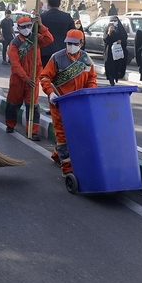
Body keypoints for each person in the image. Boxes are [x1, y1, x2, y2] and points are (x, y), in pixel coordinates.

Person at [40, 29, 98, 178]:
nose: (70, 46)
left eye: (74, 44)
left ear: (81, 43)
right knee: (62, 135)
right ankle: (67, 169)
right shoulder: (56, 58)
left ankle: (56, 154)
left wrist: (90, 93)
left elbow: (92, 79)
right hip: (59, 103)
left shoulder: (86, 59)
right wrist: (50, 93)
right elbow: (45, 78)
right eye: (68, 43)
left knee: (76, 131)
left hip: (78, 104)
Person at [4, 16, 53, 140]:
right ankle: (10, 125)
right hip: (19, 79)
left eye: (28, 26)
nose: (26, 29)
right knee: (13, 103)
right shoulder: (14, 44)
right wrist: (25, 78)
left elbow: (49, 39)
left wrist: (41, 25)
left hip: (34, 78)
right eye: (23, 27)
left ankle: (32, 131)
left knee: (33, 106)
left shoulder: (35, 38)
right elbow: (15, 64)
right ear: (18, 28)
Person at [40, 0, 76, 67]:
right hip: (62, 51)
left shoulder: (42, 17)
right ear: (59, 4)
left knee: (45, 76)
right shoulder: (67, 17)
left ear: (48, 4)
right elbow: (73, 33)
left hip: (45, 52)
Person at [103, 16, 127, 86]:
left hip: (118, 51)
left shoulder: (121, 29)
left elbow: (125, 37)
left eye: (115, 20)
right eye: (112, 21)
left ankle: (116, 77)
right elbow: (105, 39)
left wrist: (121, 41)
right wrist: (109, 33)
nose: (113, 22)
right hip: (109, 51)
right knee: (110, 66)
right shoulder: (107, 28)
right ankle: (111, 80)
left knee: (118, 65)